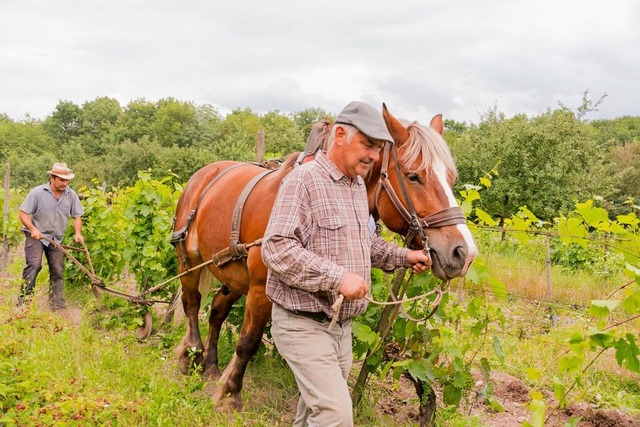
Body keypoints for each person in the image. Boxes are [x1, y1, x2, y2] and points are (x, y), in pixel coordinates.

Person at [262, 101, 431, 426]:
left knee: (314, 414)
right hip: (302, 324)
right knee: (336, 416)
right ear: (340, 134)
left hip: (339, 328)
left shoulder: (356, 186)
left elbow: (363, 243)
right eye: (367, 144)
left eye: (379, 148)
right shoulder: (303, 181)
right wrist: (338, 278)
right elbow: (277, 249)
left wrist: (404, 256)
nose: (374, 156)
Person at [17, 162, 84, 310]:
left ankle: (57, 305)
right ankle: (23, 303)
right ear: (52, 178)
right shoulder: (37, 192)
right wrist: (33, 229)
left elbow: (77, 216)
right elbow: (23, 214)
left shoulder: (71, 195)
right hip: (36, 236)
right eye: (61, 180)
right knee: (34, 265)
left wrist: (78, 233)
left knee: (57, 270)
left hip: (56, 239)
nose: (65, 183)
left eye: (67, 180)